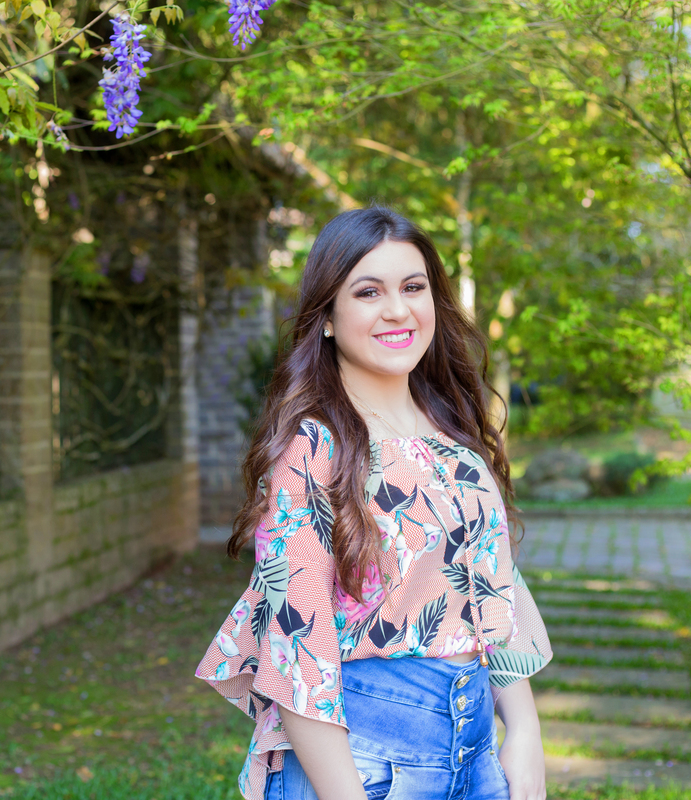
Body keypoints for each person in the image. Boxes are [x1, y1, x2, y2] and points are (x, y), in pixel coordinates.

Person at [194, 207, 553, 800]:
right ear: (328, 318)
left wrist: (525, 728)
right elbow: (297, 647)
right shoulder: (312, 448)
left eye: (413, 287)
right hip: (362, 761)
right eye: (368, 291)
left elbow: (491, 582)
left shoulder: (450, 431)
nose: (397, 309)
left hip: (474, 747)